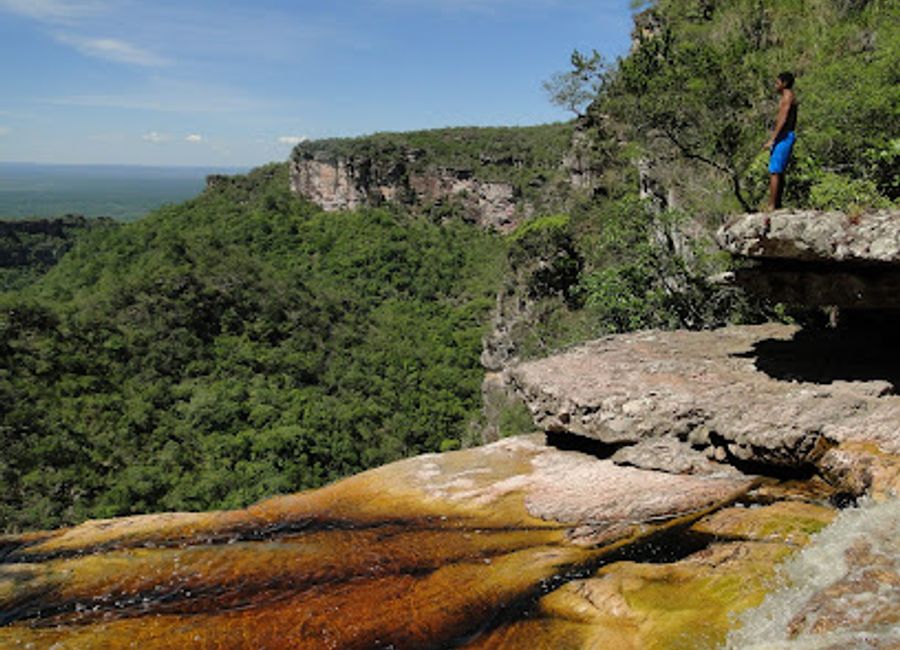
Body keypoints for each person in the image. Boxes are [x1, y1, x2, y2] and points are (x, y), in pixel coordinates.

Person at [763, 71, 798, 211]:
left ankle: (772, 205)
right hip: (784, 135)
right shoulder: (786, 96)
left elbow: (783, 119)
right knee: (778, 170)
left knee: (775, 171)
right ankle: (776, 204)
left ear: (784, 84)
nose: (775, 85)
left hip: (784, 136)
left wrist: (773, 139)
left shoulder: (788, 97)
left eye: (777, 82)